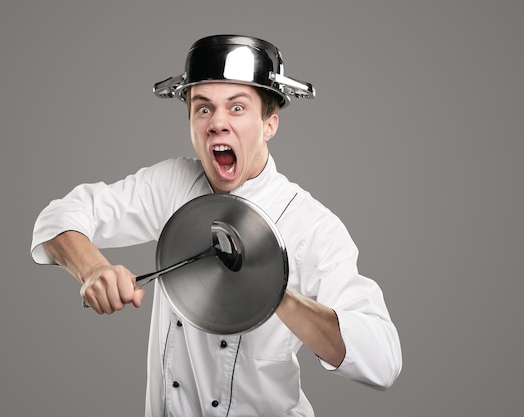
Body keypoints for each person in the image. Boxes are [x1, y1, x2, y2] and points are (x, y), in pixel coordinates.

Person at [31, 35, 402, 416]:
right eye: (203, 109)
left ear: (269, 124)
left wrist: (275, 295)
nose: (217, 123)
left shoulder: (312, 226)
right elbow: (60, 216)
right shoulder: (173, 183)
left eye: (237, 107)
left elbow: (382, 361)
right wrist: (93, 269)